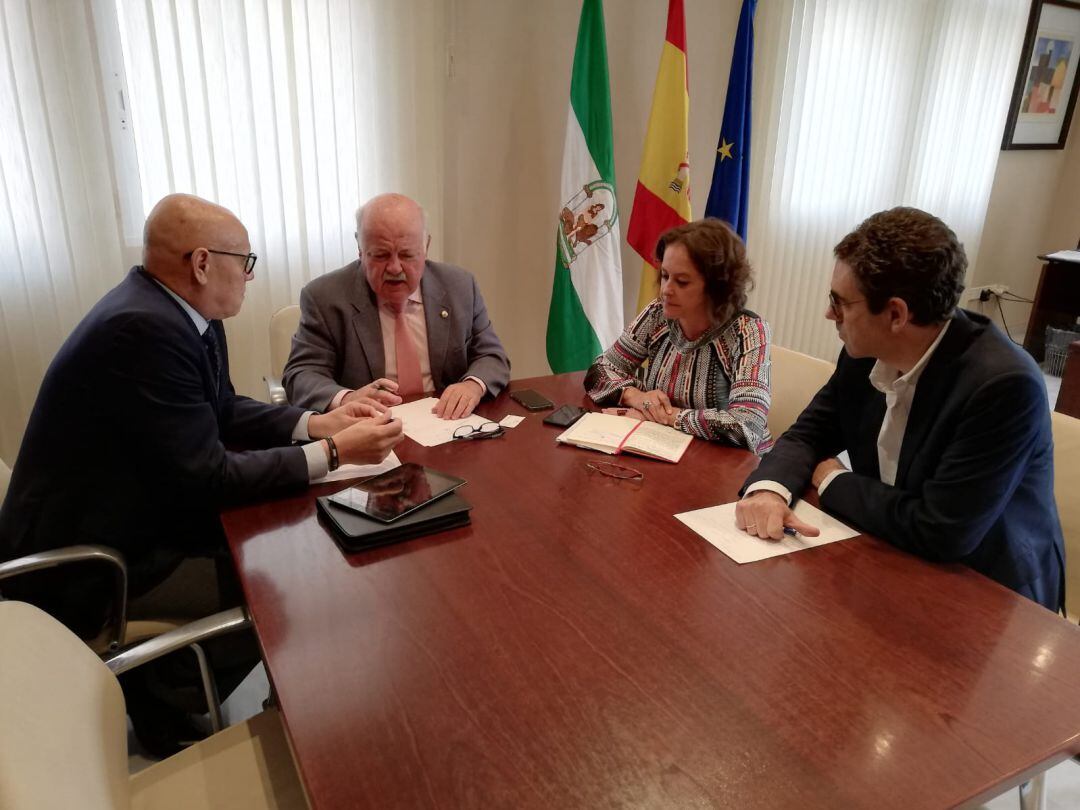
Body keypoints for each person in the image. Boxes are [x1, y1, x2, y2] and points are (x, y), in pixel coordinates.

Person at [0, 193, 403, 752]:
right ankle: (165, 696)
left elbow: (222, 408)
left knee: (281, 542)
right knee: (285, 583)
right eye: (246, 262)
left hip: (127, 509)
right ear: (202, 263)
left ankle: (160, 690)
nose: (250, 276)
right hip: (93, 563)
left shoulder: (177, 311)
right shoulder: (143, 330)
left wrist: (318, 422)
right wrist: (336, 453)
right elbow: (208, 479)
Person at [737, 207, 1064, 612]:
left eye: (839, 303)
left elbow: (940, 531)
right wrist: (769, 490)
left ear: (896, 314)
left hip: (989, 591)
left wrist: (832, 479)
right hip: (887, 549)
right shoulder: (863, 353)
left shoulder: (1003, 386)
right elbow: (808, 434)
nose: (828, 314)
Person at [283, 193, 510, 420]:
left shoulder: (459, 287)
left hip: (445, 425)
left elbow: (491, 355)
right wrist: (347, 399)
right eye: (381, 255)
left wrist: (472, 386)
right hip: (368, 430)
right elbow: (302, 374)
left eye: (407, 254)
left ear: (426, 246)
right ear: (360, 249)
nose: (394, 268)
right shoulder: (325, 297)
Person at [584, 218, 772, 453]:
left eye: (681, 282)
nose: (666, 290)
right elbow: (599, 371)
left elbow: (747, 427)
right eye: (664, 276)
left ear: (717, 287)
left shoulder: (749, 331)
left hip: (731, 467)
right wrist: (636, 396)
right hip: (663, 447)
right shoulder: (657, 314)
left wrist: (667, 415)